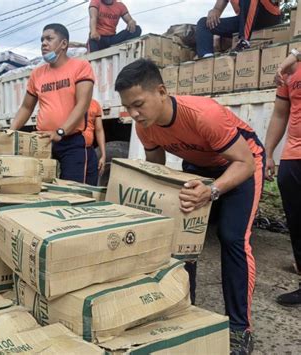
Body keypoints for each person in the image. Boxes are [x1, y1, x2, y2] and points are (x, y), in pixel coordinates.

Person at [115, 59, 265, 355]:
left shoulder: (203, 114)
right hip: (198, 169)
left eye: (139, 104)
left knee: (232, 238)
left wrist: (211, 191)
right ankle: (187, 313)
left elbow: (245, 162)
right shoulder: (145, 126)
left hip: (240, 164)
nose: (133, 114)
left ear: (161, 91)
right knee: (182, 238)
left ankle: (239, 329)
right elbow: (156, 171)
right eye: (127, 107)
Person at [10, 23, 95, 184]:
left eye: (49, 38)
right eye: (42, 40)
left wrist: (60, 132)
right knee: (40, 191)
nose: (43, 43)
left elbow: (83, 104)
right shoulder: (37, 74)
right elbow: (26, 107)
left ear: (63, 44)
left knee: (71, 193)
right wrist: (9, 132)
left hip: (71, 142)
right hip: (43, 142)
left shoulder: (81, 66)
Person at [265, 49, 301, 307]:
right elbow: (280, 114)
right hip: (293, 156)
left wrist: (293, 55)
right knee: (297, 225)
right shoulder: (289, 72)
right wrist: (268, 153)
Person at [196, 0, 281, 58]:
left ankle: (244, 42)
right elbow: (218, 8)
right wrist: (214, 11)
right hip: (244, 20)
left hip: (268, 16)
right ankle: (207, 59)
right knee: (203, 23)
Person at [82, 99, 106, 185]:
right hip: (75, 149)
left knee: (91, 183)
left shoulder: (95, 104)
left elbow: (99, 130)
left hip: (89, 150)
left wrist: (103, 155)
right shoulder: (70, 102)